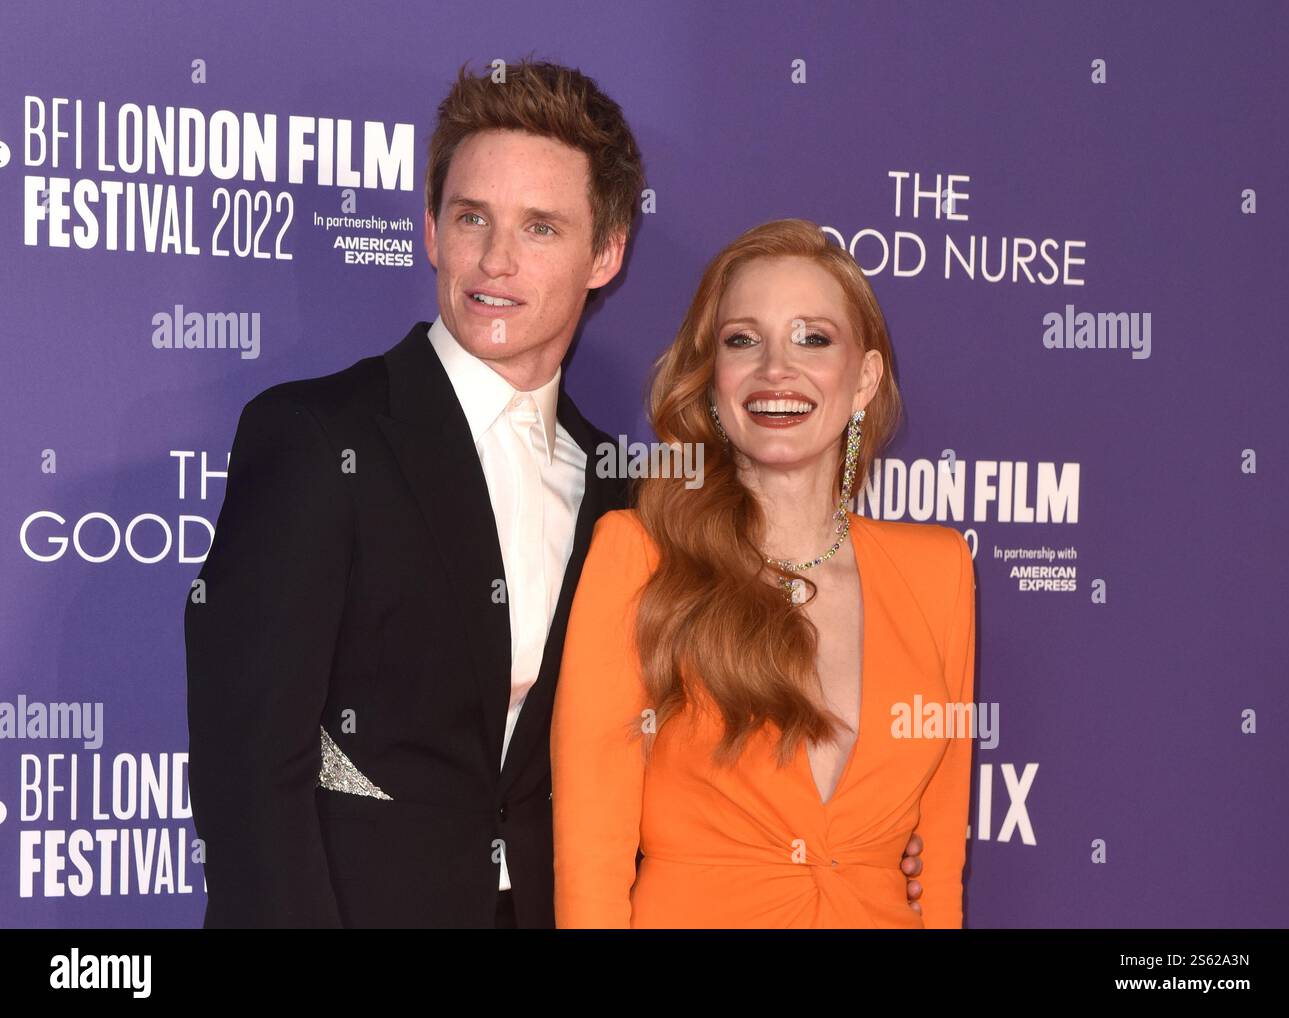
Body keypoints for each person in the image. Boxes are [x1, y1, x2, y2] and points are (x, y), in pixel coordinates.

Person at [185, 57, 927, 929]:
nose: (495, 260)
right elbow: (248, 767)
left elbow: (670, 756)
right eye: (472, 218)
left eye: (540, 228)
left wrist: (869, 841)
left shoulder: (627, 492)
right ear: (431, 231)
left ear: (604, 254)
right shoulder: (318, 436)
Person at [551, 218, 975, 928]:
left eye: (813, 338)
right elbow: (592, 856)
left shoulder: (938, 573)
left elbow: (938, 866)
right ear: (712, 381)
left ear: (864, 379)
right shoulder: (639, 555)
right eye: (743, 341)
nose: (777, 370)